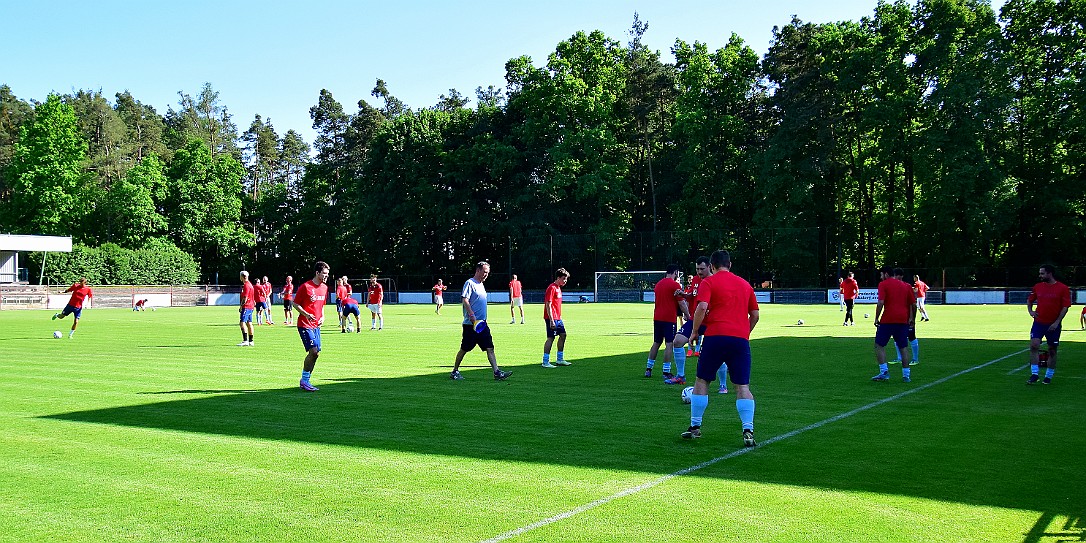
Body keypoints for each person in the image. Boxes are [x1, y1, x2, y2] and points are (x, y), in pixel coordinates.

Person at [681, 250, 760, 446]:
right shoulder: (745, 284)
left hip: (715, 337)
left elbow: (701, 307)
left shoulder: (709, 282)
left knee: (702, 381)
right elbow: (756, 314)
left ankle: (695, 427)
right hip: (739, 341)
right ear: (730, 264)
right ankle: (748, 429)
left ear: (712, 266)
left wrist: (695, 332)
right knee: (742, 386)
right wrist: (744, 333)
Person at [450, 261, 512, 381]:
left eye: (487, 273)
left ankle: (497, 372)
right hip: (470, 325)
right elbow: (465, 300)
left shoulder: (481, 284)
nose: (486, 275)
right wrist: (471, 314)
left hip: (482, 324)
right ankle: (454, 371)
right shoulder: (470, 283)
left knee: (490, 347)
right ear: (478, 270)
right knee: (464, 349)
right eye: (484, 272)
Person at [1026, 264, 1071, 385]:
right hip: (1039, 323)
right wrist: (1031, 311)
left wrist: (1056, 322)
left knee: (1052, 350)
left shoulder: (1063, 288)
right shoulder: (1038, 287)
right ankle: (1034, 374)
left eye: (1042, 273)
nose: (1040, 275)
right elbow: (1030, 300)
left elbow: (1065, 307)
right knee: (1034, 345)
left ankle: (1048, 376)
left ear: (1049, 273)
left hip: (1053, 325)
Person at [871, 267, 917, 382]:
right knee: (903, 347)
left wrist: (876, 318)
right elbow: (913, 304)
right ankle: (906, 375)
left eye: (881, 275)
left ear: (886, 274)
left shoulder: (883, 284)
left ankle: (884, 372)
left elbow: (881, 302)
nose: (881, 277)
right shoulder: (906, 286)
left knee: (879, 345)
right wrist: (912, 319)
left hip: (888, 320)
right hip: (903, 320)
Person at [292, 261, 331, 391]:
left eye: (327, 274)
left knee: (316, 354)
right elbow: (295, 304)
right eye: (324, 273)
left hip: (316, 325)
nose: (326, 276)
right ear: (317, 273)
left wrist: (323, 317)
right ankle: (304, 380)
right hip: (304, 324)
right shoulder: (306, 287)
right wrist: (306, 314)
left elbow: (322, 305)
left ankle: (306, 381)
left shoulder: (324, 288)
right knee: (313, 351)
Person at [645, 264, 688, 378]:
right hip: (669, 318)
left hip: (657, 317)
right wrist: (687, 315)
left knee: (656, 342)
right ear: (675, 273)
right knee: (669, 343)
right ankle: (666, 371)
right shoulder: (675, 285)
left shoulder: (658, 284)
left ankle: (648, 369)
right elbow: (681, 302)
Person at [542, 268, 571, 367]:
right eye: (563, 278)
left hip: (558, 318)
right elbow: (548, 304)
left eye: (566, 279)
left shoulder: (558, 288)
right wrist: (551, 320)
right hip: (552, 318)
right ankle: (545, 361)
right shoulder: (552, 288)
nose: (565, 281)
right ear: (558, 278)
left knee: (563, 335)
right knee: (551, 338)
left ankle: (560, 359)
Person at [237, 271, 256, 346]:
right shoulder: (250, 285)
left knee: (242, 323)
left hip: (247, 306)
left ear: (242, 276)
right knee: (249, 323)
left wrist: (241, 306)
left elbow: (245, 297)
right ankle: (251, 341)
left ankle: (245, 341)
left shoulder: (246, 285)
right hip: (251, 306)